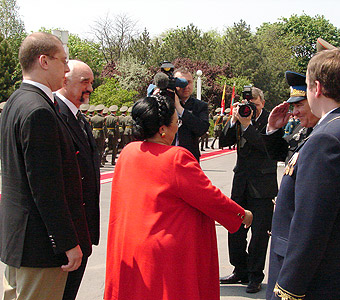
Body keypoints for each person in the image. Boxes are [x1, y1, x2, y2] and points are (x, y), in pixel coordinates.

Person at [104, 95, 253, 300]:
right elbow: (208, 197)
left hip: (131, 247)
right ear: (162, 129)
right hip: (164, 253)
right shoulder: (175, 157)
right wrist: (241, 214)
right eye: (177, 122)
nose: (178, 127)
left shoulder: (128, 152)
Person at [267, 49, 340, 300]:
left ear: (316, 87)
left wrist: (287, 291)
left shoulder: (327, 137)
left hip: (315, 284)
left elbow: (310, 228)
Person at [0, 32, 92, 300]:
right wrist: (67, 242)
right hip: (40, 248)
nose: (66, 69)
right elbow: (46, 188)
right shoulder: (39, 110)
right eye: (62, 61)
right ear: (43, 61)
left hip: (18, 243)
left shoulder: (16, 101)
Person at [219, 87, 287, 293]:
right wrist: (233, 121)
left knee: (259, 235)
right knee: (235, 229)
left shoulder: (272, 120)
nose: (250, 108)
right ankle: (240, 269)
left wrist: (248, 126)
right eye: (248, 104)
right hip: (241, 183)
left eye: (255, 104)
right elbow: (223, 141)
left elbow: (265, 147)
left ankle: (255, 276)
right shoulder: (241, 117)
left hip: (263, 186)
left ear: (263, 103)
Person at [54, 60, 101, 300]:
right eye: (85, 82)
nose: (90, 89)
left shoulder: (79, 118)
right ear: (64, 80)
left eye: (91, 82)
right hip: (67, 233)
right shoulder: (54, 116)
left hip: (82, 229)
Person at [267, 71, 320, 164]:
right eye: (294, 106)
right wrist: (273, 128)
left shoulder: (328, 131)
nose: (295, 112)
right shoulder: (301, 130)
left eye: (299, 105)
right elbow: (280, 154)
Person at [173, 67, 209, 161]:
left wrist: (180, 109)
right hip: (167, 156)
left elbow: (201, 129)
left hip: (189, 158)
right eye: (181, 83)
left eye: (189, 82)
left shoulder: (200, 106)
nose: (186, 86)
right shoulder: (165, 103)